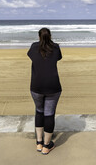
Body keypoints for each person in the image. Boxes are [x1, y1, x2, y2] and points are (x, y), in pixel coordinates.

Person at [27, 27, 62, 155]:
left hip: (36, 86)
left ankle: (39, 143)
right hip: (53, 86)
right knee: (49, 114)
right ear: (50, 36)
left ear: (39, 37)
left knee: (39, 112)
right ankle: (47, 145)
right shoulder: (56, 47)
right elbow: (58, 58)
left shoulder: (34, 47)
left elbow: (30, 55)